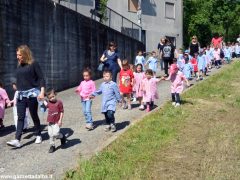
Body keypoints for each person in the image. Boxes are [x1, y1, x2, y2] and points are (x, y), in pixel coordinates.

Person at [7, 45, 45, 148]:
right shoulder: (19, 65)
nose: (17, 57)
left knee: (33, 115)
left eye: (19, 55)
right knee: (20, 117)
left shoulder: (33, 64)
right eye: (17, 55)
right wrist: (15, 83)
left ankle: (38, 134)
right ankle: (17, 139)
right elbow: (18, 77)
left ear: (25, 54)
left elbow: (41, 78)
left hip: (32, 94)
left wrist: (42, 92)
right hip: (21, 95)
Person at [43, 88, 66, 153]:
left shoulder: (59, 102)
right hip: (50, 121)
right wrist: (42, 99)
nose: (52, 98)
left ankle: (62, 136)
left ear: (55, 94)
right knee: (50, 134)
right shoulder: (49, 103)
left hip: (56, 121)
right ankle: (52, 146)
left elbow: (62, 111)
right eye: (50, 98)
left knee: (56, 134)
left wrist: (60, 120)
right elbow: (45, 103)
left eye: (53, 96)